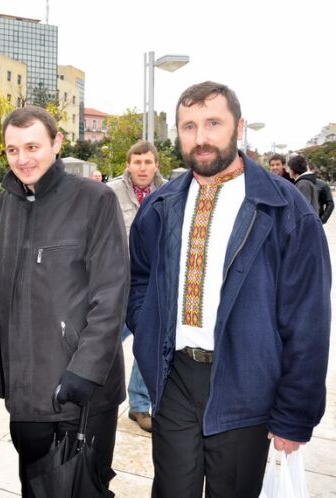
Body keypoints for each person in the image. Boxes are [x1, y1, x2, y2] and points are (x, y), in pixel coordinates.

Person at [128, 81, 331, 498]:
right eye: (189, 126)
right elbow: (140, 277)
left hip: (247, 386)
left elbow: (309, 317)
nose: (200, 137)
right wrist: (148, 333)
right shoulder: (161, 205)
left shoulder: (284, 208)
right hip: (174, 379)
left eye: (213, 123)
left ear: (238, 127)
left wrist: (294, 412)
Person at [0, 106, 129, 497]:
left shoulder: (95, 200)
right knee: (35, 489)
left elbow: (111, 293)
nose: (22, 159)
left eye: (32, 146)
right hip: (26, 398)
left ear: (57, 143)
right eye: (13, 150)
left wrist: (85, 372)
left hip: (83, 394)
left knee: (83, 489)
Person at [107, 139, 166, 433]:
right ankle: (95, 395)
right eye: (137, 162)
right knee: (105, 342)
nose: (143, 168)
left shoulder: (170, 194)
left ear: (156, 165)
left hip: (150, 285)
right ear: (128, 165)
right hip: (116, 283)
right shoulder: (110, 193)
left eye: (148, 162)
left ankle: (140, 405)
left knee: (147, 342)